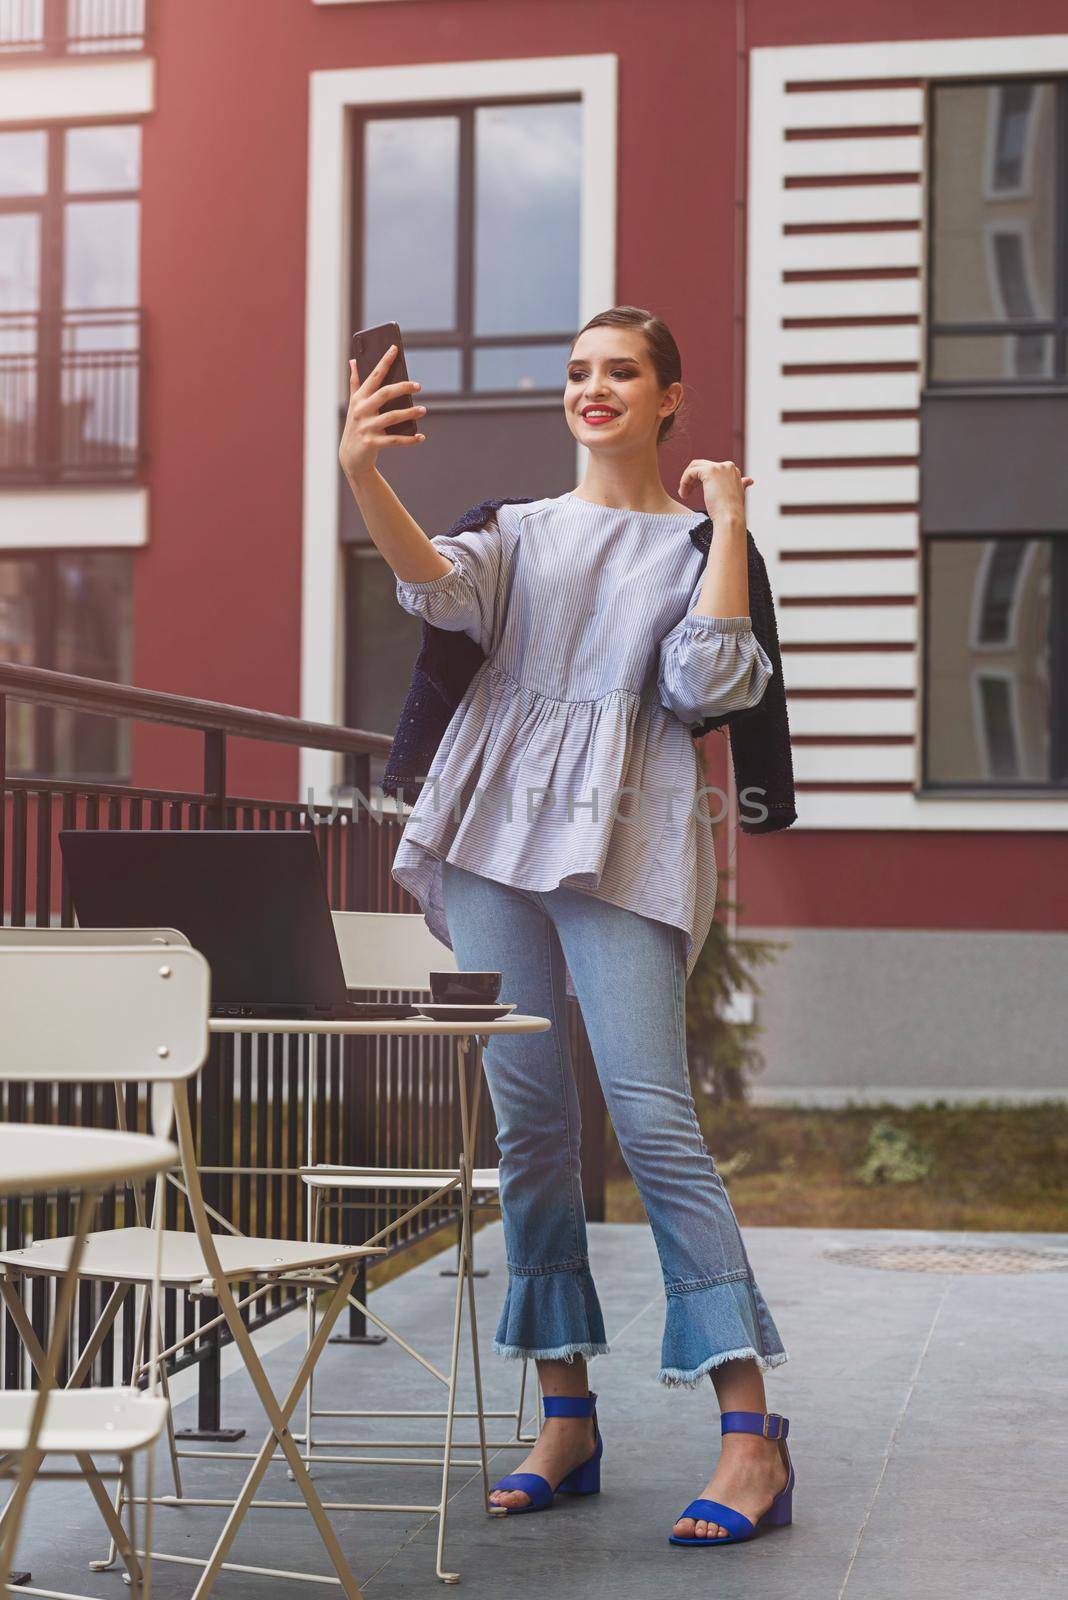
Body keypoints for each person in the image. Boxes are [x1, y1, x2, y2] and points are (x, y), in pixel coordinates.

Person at [339, 305, 794, 1547]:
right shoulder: (515, 533)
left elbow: (708, 684)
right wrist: (362, 472)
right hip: (489, 832)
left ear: (670, 399)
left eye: (623, 371)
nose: (593, 388)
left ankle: (752, 1436)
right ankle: (567, 1415)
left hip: (626, 844)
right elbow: (435, 594)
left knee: (652, 1120)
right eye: (580, 371)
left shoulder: (699, 545)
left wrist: (734, 522)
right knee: (532, 1126)